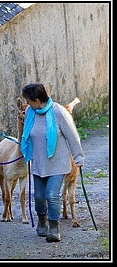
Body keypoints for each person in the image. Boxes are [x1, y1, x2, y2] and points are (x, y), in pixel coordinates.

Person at [20, 83, 85, 242]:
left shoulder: (59, 112)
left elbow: (73, 136)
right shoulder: (30, 112)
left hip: (58, 163)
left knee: (51, 195)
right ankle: (42, 221)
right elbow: (26, 135)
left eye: (29, 101)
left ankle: (54, 228)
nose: (27, 104)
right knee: (39, 197)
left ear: (36, 100)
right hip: (39, 163)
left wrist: (78, 157)